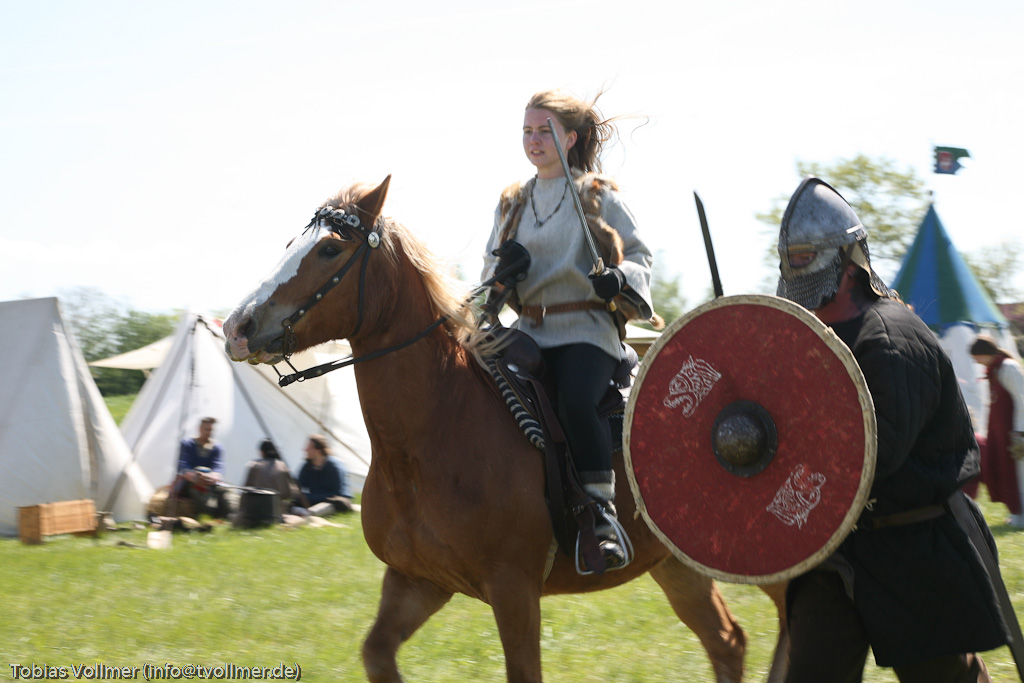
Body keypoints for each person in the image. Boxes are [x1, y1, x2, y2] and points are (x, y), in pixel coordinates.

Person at [774, 177, 1009, 682]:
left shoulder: (891, 338)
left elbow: (874, 455)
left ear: (850, 263)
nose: (801, 276)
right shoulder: (811, 342)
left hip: (912, 548)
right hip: (835, 553)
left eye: (809, 260)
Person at [480, 88, 661, 571]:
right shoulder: (512, 203)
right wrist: (503, 276)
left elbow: (641, 258)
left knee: (575, 401)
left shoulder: (597, 195)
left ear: (570, 138)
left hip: (588, 330)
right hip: (527, 333)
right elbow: (487, 278)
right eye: (527, 131)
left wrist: (618, 278)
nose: (533, 140)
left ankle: (601, 515)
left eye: (545, 131)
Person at [970, 334, 1024, 526]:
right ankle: (1017, 513)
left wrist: (1020, 432)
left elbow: (1022, 398)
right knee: (1008, 473)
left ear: (985, 353)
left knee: (1020, 474)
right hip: (1003, 433)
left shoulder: (1009, 367)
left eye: (977, 357)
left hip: (1015, 432)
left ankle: (1021, 516)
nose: (976, 361)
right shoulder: (995, 370)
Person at [173, 417, 230, 519]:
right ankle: (211, 513)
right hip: (190, 482)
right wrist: (193, 476)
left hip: (209, 482)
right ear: (199, 429)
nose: (208, 432)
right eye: (206, 429)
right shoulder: (187, 444)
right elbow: (182, 464)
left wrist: (213, 477)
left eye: (211, 430)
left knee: (226, 491)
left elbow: (218, 466)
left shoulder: (217, 447)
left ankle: (227, 515)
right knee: (198, 494)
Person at [234, 438, 301, 526]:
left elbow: (245, 491)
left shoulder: (254, 465)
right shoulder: (283, 466)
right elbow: (289, 494)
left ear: (262, 452)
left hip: (253, 515)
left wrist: (240, 511)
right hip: (275, 516)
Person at [297, 434, 353, 515]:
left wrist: (310, 497)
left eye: (309, 448)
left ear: (318, 451)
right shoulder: (308, 466)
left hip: (335, 501)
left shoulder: (334, 467)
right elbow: (299, 485)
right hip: (319, 498)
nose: (305, 450)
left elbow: (336, 494)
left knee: (313, 511)